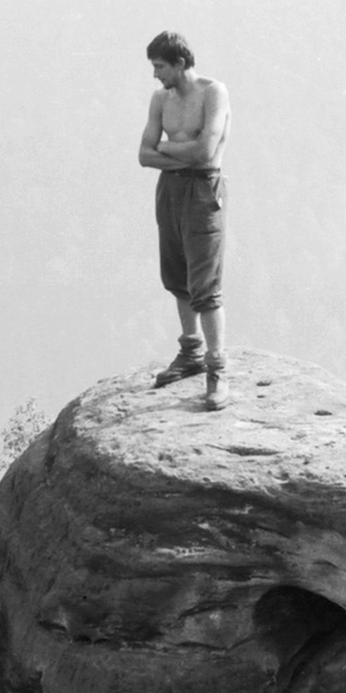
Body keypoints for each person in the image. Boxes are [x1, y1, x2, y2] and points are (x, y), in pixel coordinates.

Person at [138, 31, 233, 409]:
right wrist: (183, 153)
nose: (156, 75)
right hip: (171, 190)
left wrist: (165, 147)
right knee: (177, 274)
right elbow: (144, 155)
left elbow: (206, 151)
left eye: (160, 67)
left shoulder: (213, 93)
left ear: (179, 63)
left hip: (203, 190)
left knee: (205, 283)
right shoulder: (161, 99)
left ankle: (217, 370)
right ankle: (191, 352)